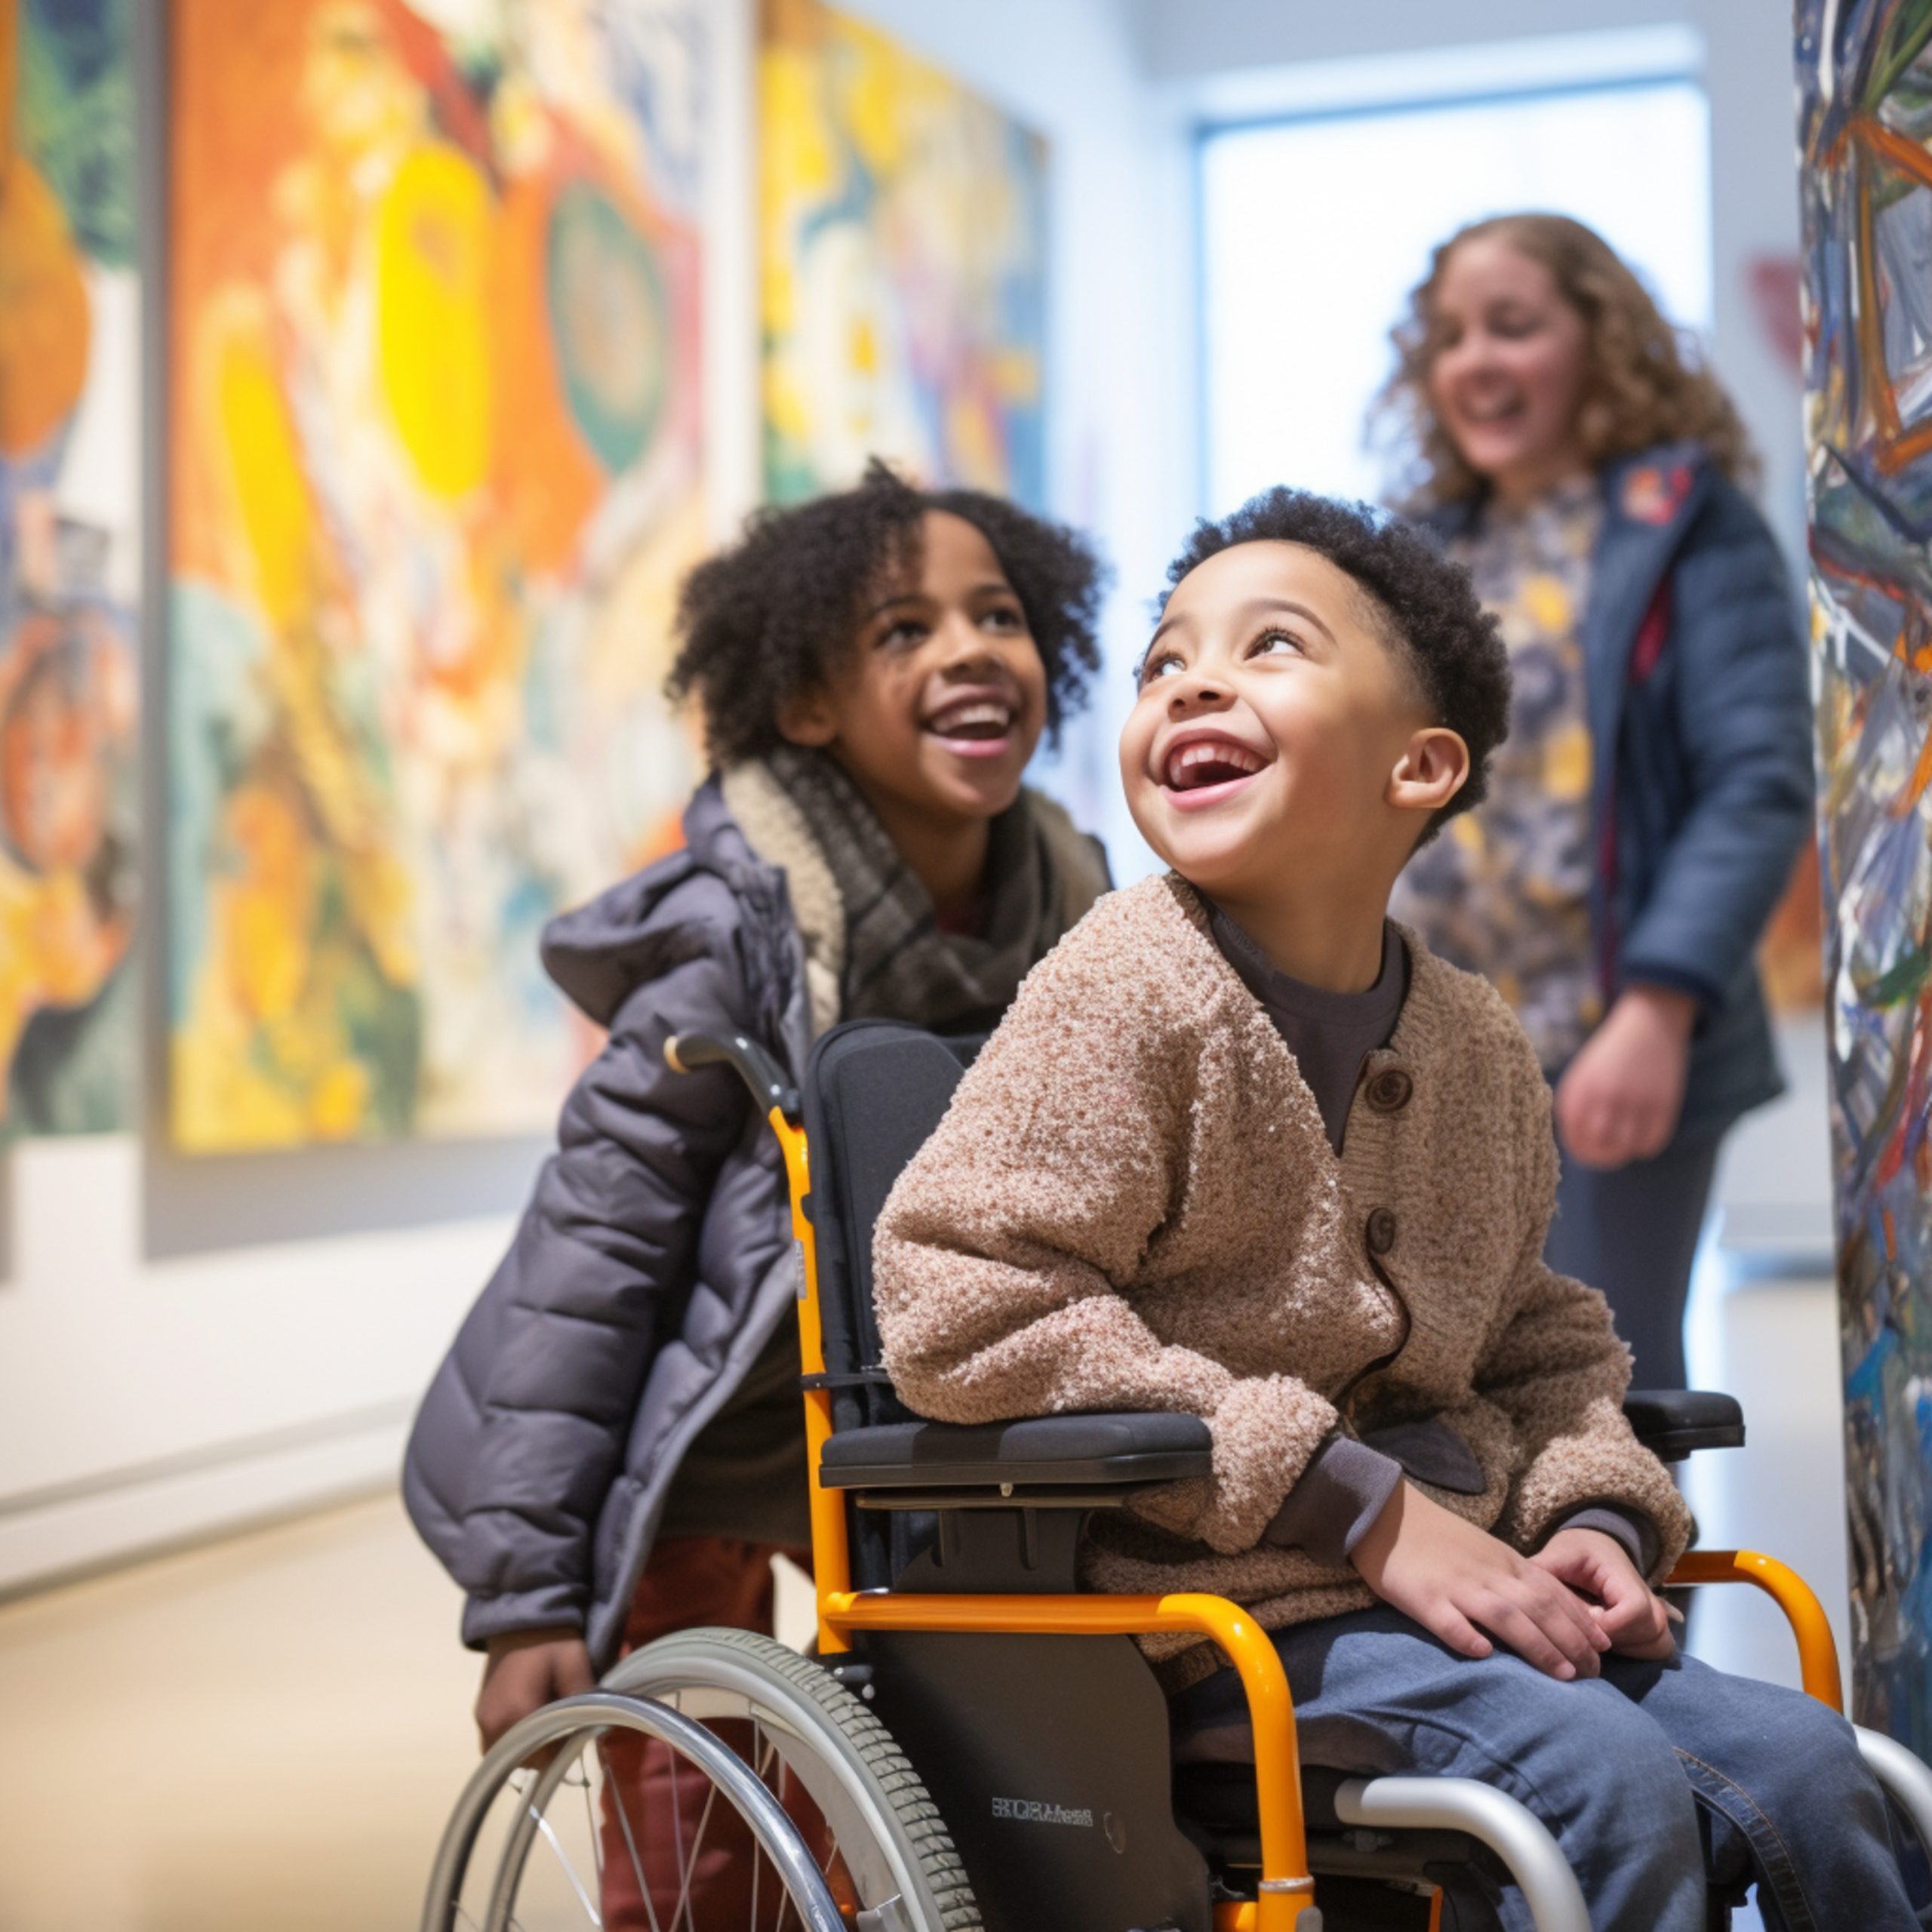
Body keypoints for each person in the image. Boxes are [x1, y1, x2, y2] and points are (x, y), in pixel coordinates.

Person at [872, 491, 1912, 1932]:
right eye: (1165, 662)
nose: (1194, 684)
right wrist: (1355, 1506)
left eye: (1270, 646)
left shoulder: (1475, 1043)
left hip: (1462, 1597)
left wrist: (1594, 1512)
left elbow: (1539, 1338)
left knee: (1815, 1766)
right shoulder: (1123, 992)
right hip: (1203, 1613)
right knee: (1601, 1780)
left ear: (1421, 767)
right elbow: (959, 1299)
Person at [401, 460, 1112, 1927]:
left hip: (910, 1415)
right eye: (903, 630)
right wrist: (528, 1594)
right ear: (802, 703)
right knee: (695, 1810)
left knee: (939, 1772)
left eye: (997, 613)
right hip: (707, 1433)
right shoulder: (731, 940)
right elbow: (589, 1252)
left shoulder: (1077, 907)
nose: (970, 647)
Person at [1378, 212, 1814, 1391]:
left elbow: (1756, 781)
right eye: (1449, 335)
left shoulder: (1686, 523)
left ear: (1601, 339)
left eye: (1512, 326)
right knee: (1442, 1388)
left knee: (1602, 1387)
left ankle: (1641, 1590)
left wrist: (1658, 1010)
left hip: (1611, 1045)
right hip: (1435, 1046)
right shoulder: (1422, 549)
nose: (1474, 360)